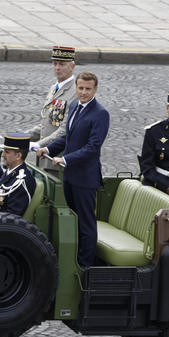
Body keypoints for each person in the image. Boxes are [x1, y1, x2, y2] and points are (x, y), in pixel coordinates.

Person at [37, 72, 109, 269]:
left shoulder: (100, 113)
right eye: (80, 88)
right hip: (69, 176)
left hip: (85, 179)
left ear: (95, 89)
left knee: (86, 224)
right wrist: (48, 149)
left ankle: (85, 267)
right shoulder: (75, 106)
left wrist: (65, 159)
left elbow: (92, 148)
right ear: (76, 88)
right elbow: (68, 139)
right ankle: (72, 260)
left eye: (88, 89)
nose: (83, 92)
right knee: (72, 221)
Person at [26, 45, 79, 172]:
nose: (57, 68)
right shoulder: (54, 87)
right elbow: (49, 122)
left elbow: (64, 130)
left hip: (57, 160)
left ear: (72, 66)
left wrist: (39, 144)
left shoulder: (75, 92)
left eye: (61, 64)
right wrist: (23, 137)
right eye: (55, 63)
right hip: (44, 158)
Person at [0, 133, 37, 216]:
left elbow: (12, 217)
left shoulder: (22, 181)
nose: (3, 155)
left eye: (7, 152)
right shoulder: (10, 173)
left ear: (18, 156)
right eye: (4, 151)